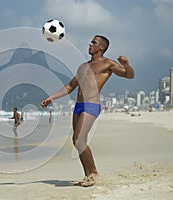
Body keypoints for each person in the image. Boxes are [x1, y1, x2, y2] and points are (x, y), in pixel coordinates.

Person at [41, 35, 135, 187]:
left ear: (101, 47)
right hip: (78, 105)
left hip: (91, 104)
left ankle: (94, 173)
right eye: (91, 41)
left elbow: (129, 75)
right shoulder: (83, 66)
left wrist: (127, 65)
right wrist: (52, 97)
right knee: (77, 141)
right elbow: (70, 86)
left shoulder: (108, 63)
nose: (90, 44)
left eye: (94, 42)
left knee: (79, 139)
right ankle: (88, 175)